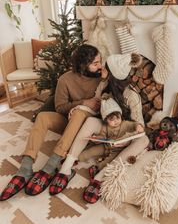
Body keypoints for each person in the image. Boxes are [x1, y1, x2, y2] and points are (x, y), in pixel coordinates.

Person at [0, 44, 103, 201]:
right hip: (68, 121)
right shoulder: (65, 79)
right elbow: (60, 107)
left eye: (100, 61)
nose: (100, 66)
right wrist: (83, 102)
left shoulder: (101, 79)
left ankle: (51, 165)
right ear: (83, 66)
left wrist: (84, 107)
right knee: (42, 117)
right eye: (95, 63)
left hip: (87, 128)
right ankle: (25, 167)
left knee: (80, 113)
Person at [48, 53, 149, 203]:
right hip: (106, 128)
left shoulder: (132, 96)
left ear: (114, 74)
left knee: (144, 140)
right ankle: (66, 167)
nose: (102, 69)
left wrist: (128, 137)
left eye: (106, 68)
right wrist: (79, 108)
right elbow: (95, 108)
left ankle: (100, 177)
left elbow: (139, 124)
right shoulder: (103, 85)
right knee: (89, 122)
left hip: (124, 132)